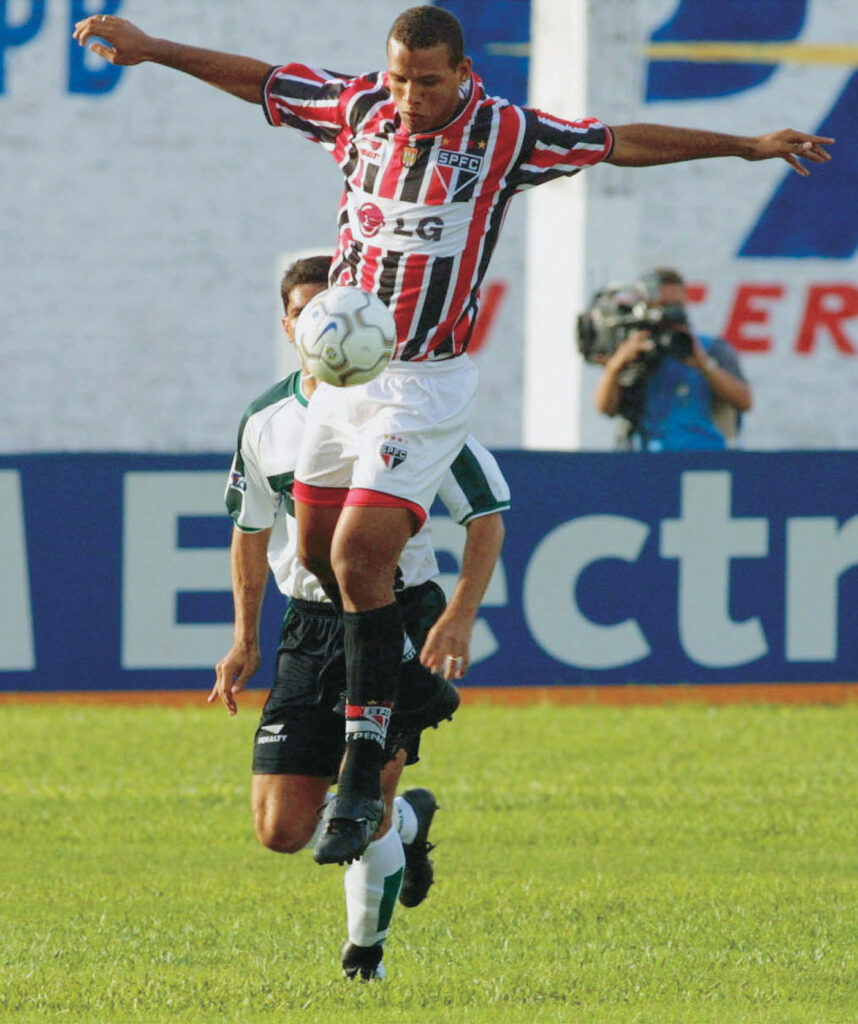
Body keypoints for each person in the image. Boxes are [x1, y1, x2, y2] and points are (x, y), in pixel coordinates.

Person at [73, 5, 833, 863]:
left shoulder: (505, 135)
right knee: (323, 563)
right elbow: (259, 80)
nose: (408, 96)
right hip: (343, 384)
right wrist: (150, 48)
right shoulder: (359, 110)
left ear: (463, 74)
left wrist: (742, 146)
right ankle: (408, 688)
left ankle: (363, 777)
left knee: (361, 557)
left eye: (427, 82)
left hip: (422, 383)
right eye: (399, 77)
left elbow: (623, 141)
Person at [209, 255, 510, 981]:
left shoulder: (410, 406)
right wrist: (245, 637)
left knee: (366, 789)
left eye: (338, 312)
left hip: (395, 613)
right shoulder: (267, 421)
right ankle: (408, 824)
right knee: (281, 830)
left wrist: (461, 615)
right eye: (310, 315)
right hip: (311, 624)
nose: (325, 326)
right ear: (289, 326)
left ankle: (363, 960)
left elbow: (487, 512)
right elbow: (251, 532)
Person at [592, 268, 753, 451]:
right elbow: (605, 408)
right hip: (644, 459)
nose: (669, 313)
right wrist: (617, 365)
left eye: (675, 305)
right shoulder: (634, 350)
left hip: (702, 457)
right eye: (662, 305)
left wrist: (704, 365)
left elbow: (744, 401)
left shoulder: (711, 348)